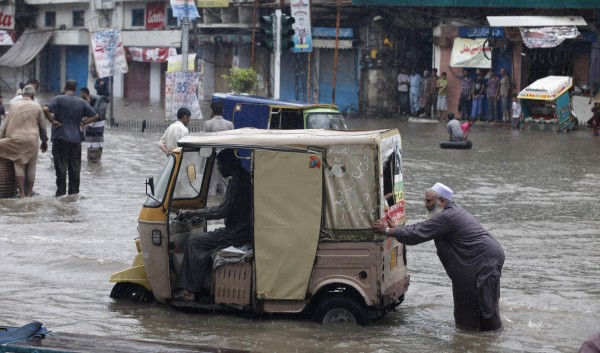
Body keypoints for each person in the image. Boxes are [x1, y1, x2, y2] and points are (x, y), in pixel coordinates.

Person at [373, 182, 505, 331]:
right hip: (474, 261)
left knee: (483, 301)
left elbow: (417, 233)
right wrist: (396, 230)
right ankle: (469, 337)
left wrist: (387, 231)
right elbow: (421, 227)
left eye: (429, 201)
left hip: (483, 260)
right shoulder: (447, 214)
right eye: (425, 201)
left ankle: (491, 336)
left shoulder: (448, 217)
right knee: (466, 298)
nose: (425, 205)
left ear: (442, 201)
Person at [176, 148, 253, 302]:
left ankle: (189, 291)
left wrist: (195, 213)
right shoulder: (242, 178)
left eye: (219, 165)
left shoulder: (237, 182)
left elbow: (221, 211)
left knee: (194, 242)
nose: (218, 168)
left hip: (235, 234)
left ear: (228, 164)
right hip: (240, 230)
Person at [42, 80, 98, 197]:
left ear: (64, 87)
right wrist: (83, 122)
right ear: (75, 89)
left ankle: (61, 193)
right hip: (76, 139)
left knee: (61, 167)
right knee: (75, 167)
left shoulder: (58, 99)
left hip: (60, 138)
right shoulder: (81, 102)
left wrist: (52, 121)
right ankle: (73, 194)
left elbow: (45, 109)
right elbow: (95, 115)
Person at [0, 85, 48, 197]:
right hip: (32, 141)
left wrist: (2, 139)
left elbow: (5, 126)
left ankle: (21, 193)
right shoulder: (37, 106)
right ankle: (29, 192)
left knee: (18, 165)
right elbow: (43, 126)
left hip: (15, 140)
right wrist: (44, 141)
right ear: (33, 95)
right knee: (31, 167)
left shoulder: (13, 106)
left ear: (22, 94)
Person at [204, 101, 234, 195]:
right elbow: (232, 143)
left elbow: (205, 143)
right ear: (223, 110)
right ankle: (225, 203)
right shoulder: (229, 124)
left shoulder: (208, 124)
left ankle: (212, 204)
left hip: (213, 158)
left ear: (212, 111)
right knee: (224, 183)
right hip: (226, 159)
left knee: (212, 183)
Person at [80, 87, 109, 162]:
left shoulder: (95, 104)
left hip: (95, 139)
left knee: (94, 160)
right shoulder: (85, 102)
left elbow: (94, 117)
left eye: (81, 93)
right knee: (93, 159)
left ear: (85, 93)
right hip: (91, 139)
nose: (80, 95)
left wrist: (85, 121)